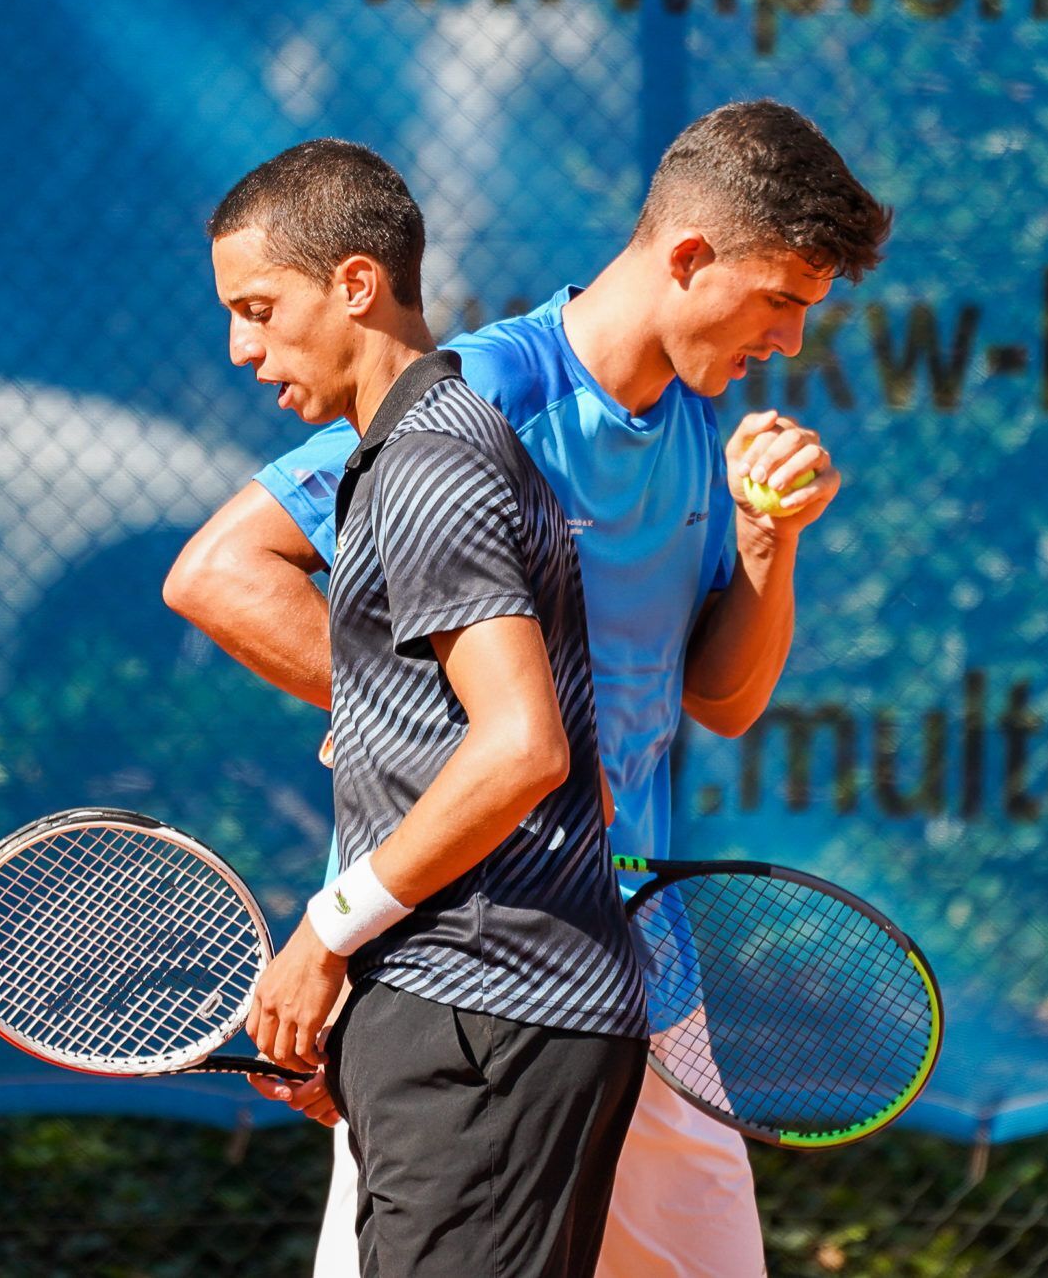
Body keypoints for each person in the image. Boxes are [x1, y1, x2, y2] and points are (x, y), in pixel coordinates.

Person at [169, 99, 894, 1277]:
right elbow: (220, 570)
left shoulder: (705, 432)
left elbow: (722, 699)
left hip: (637, 969)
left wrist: (771, 544)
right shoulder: (480, 396)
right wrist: (414, 729)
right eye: (781, 300)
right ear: (689, 258)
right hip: (464, 963)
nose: (792, 341)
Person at [210, 138, 649, 1278]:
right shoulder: (420, 453)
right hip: (469, 1008)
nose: (241, 348)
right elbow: (493, 738)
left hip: (487, 1016)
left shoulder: (426, 465)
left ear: (355, 284)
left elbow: (520, 751)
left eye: (260, 308)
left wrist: (324, 934)